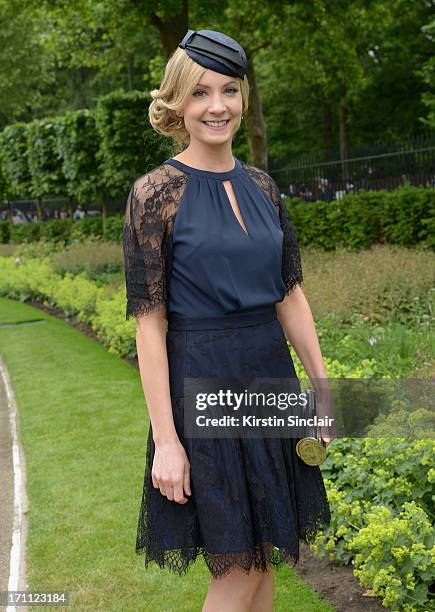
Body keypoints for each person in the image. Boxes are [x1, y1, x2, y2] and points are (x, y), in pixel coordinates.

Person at [123, 28, 333, 612]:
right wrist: (166, 441)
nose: (217, 106)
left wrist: (321, 388)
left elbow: (289, 294)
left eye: (231, 91)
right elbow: (149, 323)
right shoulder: (155, 194)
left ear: (244, 99)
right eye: (201, 93)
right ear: (177, 105)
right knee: (235, 572)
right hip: (204, 387)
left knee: (263, 561)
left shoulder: (264, 187)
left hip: (270, 383)